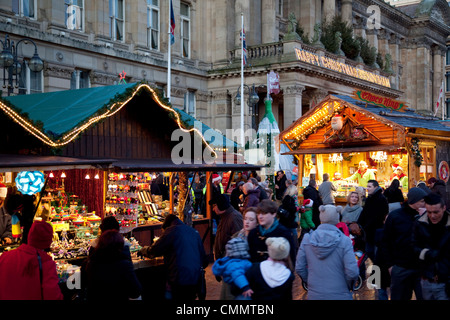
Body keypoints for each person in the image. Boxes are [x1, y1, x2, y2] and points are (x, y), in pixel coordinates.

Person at [295, 205, 359, 300]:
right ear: (337, 218)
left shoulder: (307, 239)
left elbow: (300, 267)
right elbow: (352, 271)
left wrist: (310, 281)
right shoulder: (344, 241)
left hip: (315, 293)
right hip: (340, 292)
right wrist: (348, 286)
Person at [138, 214, 207, 302]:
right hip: (194, 279)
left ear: (166, 226)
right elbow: (204, 260)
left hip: (178, 278)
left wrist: (143, 250)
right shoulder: (193, 232)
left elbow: (154, 250)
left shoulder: (170, 231)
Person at [378, 187, 428, 300]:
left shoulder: (427, 216)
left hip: (421, 269)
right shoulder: (395, 216)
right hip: (401, 267)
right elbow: (385, 241)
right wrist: (390, 265)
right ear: (413, 201)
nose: (425, 203)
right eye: (422, 201)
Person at [0, 221, 63, 300]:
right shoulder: (45, 263)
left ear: (30, 236)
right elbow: (53, 296)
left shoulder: (5, 257)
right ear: (48, 242)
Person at [412, 193, 450, 300]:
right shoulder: (419, 224)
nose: (432, 216)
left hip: (445, 282)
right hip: (426, 280)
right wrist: (427, 254)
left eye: (436, 212)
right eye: (429, 212)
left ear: (444, 208)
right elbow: (413, 247)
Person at [209, 194, 243, 300]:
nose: (213, 209)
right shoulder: (225, 217)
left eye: (214, 206)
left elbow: (238, 243)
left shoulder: (234, 218)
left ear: (221, 206)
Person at [247, 199, 297, 264]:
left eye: (264, 213)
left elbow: (291, 257)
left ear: (273, 214)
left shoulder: (284, 233)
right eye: (259, 213)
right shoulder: (253, 233)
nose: (260, 216)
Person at [357, 179, 389, 262]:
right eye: (367, 186)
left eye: (369, 186)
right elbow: (364, 213)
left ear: (376, 187)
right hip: (368, 230)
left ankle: (376, 272)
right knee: (368, 251)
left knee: (374, 253)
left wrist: (365, 226)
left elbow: (378, 216)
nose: (367, 188)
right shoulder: (370, 198)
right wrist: (359, 224)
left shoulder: (381, 199)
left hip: (375, 231)